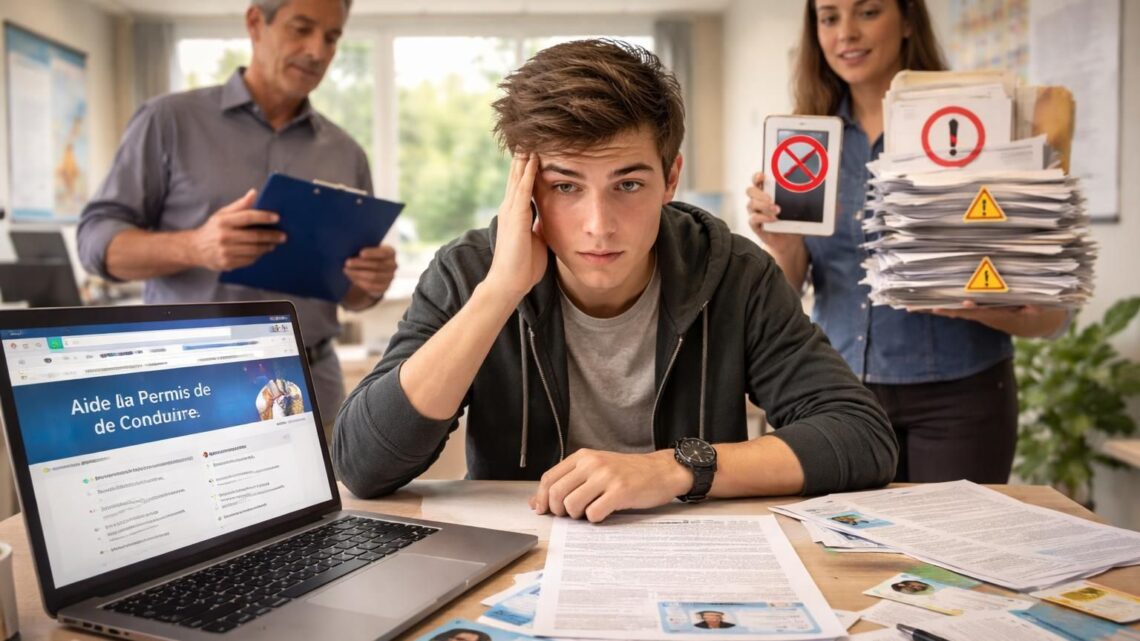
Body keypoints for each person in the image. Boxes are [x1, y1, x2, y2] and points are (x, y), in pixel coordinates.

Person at [334, 38, 896, 523]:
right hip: (520, 554)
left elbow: (861, 435)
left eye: (627, 185)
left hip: (690, 553)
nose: (598, 225)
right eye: (566, 186)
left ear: (670, 178)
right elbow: (363, 466)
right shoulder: (469, 272)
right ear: (524, 187)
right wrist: (499, 292)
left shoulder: (735, 272)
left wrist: (673, 469)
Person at [745, 0, 1068, 484]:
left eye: (868, 12)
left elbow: (1046, 305)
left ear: (909, 21)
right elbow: (792, 290)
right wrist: (784, 245)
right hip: (837, 393)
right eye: (829, 17)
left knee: (954, 535)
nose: (846, 33)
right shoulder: (809, 140)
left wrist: (979, 302)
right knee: (833, 535)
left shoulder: (977, 125)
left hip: (959, 396)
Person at [77, 0, 396, 434]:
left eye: (331, 37)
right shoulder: (168, 121)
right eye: (301, 28)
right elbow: (94, 243)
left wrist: (370, 283)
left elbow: (353, 296)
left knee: (335, 484)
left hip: (312, 386)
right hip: (189, 386)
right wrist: (195, 246)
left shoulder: (346, 153)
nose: (317, 51)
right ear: (255, 23)